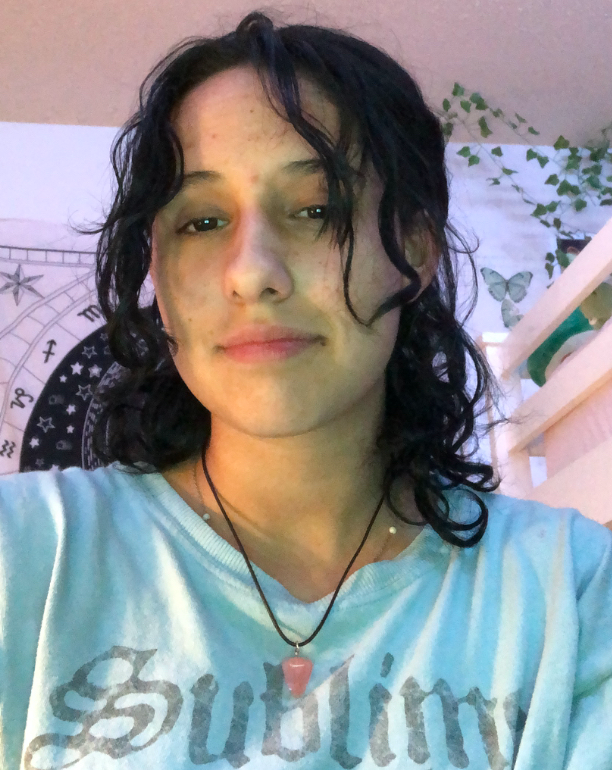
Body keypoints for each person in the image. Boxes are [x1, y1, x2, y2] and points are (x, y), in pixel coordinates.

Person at [1, 10, 611, 769]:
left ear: (415, 251)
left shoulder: (573, 593)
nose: (252, 272)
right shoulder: (26, 554)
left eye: (317, 210)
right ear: (159, 271)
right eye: (202, 221)